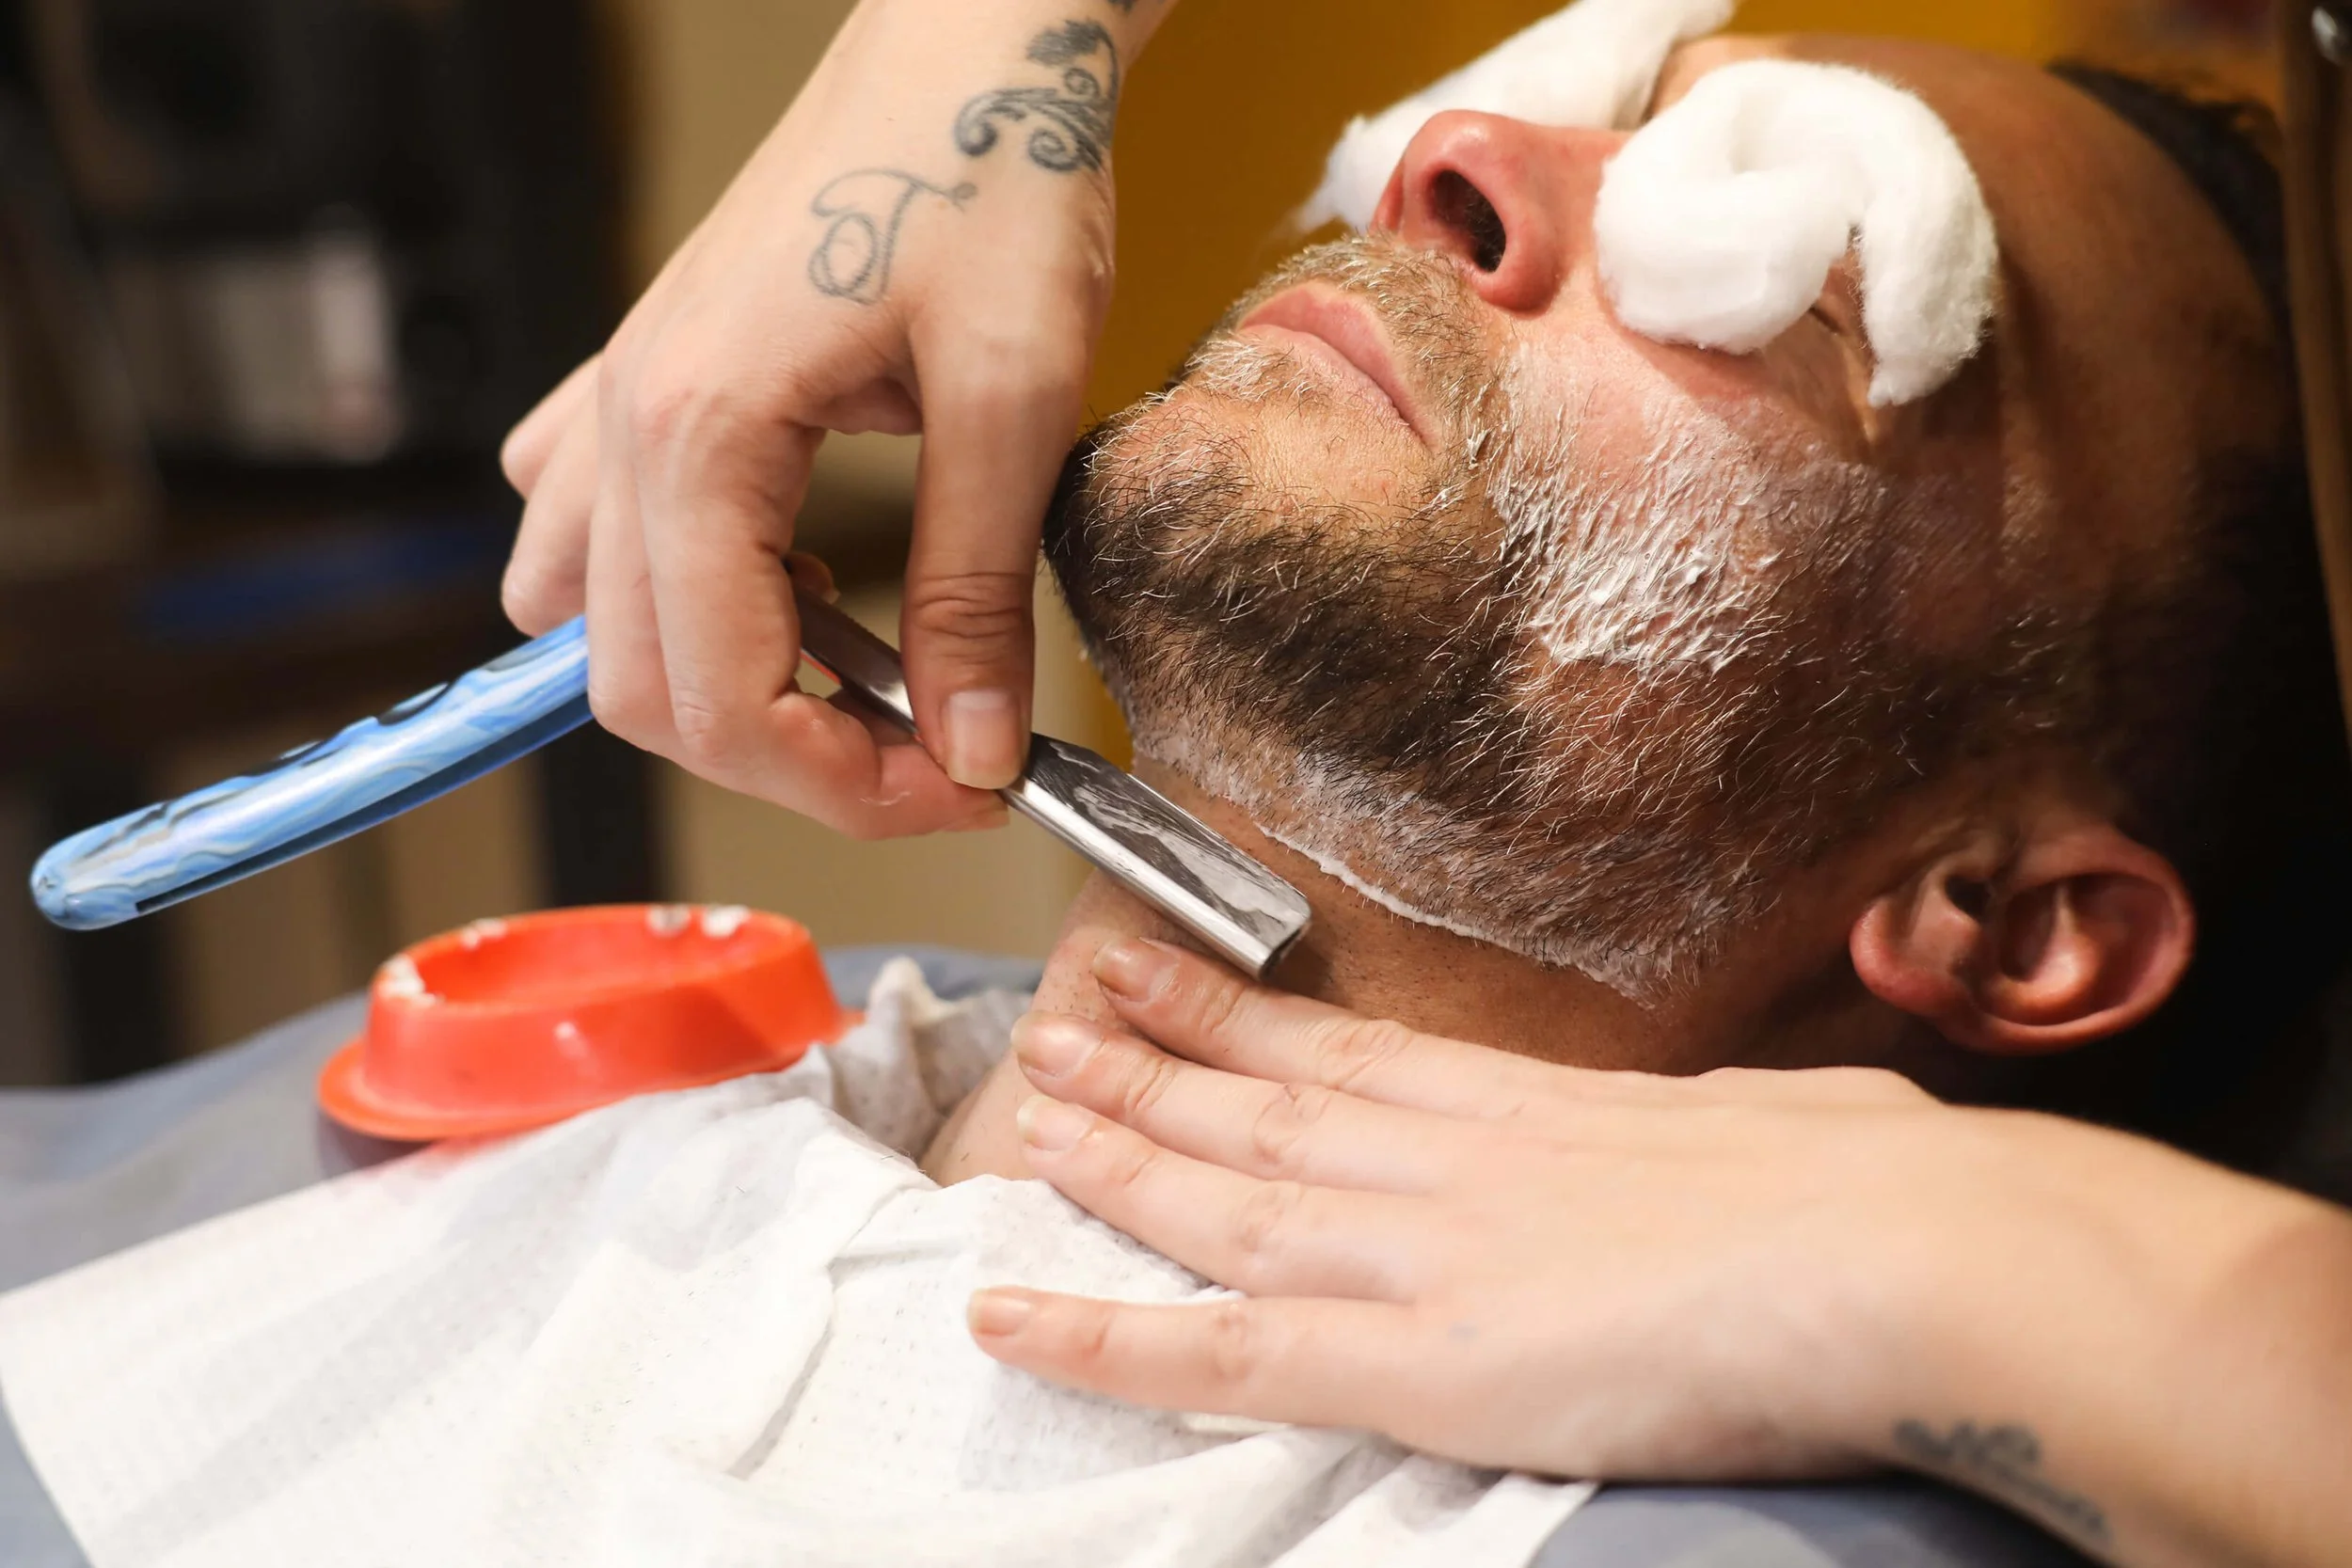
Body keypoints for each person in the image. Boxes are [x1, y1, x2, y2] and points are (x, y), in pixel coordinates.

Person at [500, 5, 2352, 1564]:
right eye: (1589, 86)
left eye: (1795, 244)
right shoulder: (501, 1134)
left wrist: (1939, 1256)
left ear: (2005, 921)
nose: (1459, 148)